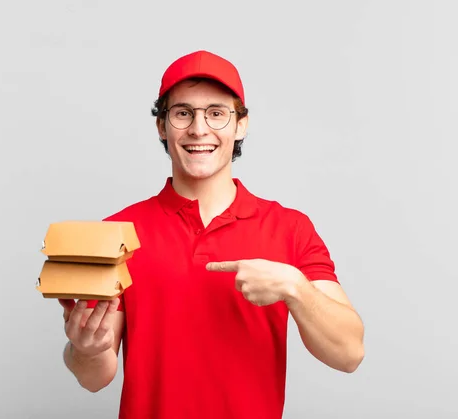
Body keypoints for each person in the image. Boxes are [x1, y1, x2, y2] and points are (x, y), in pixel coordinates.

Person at [58, 50, 365, 419]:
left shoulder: (291, 228)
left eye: (217, 113)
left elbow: (349, 354)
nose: (199, 129)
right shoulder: (117, 232)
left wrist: (295, 288)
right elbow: (95, 377)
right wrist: (85, 351)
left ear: (242, 125)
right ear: (162, 126)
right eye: (182, 113)